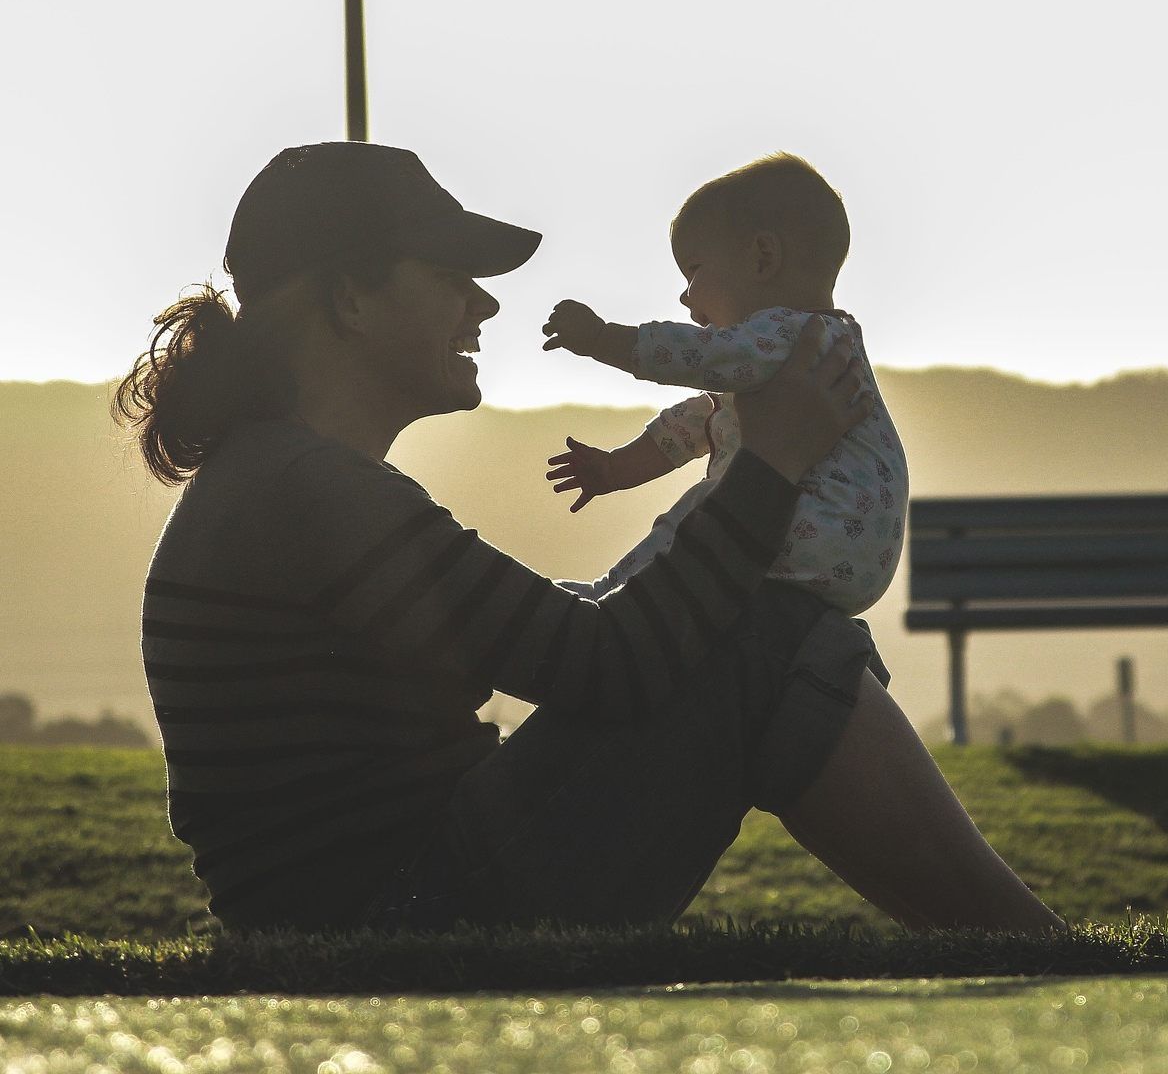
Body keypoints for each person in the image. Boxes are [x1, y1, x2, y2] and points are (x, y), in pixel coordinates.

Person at [116, 141, 1061, 934]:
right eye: (449, 277)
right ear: (348, 300)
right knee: (764, 630)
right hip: (405, 917)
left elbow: (560, 642)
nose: (484, 306)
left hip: (396, 900)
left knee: (763, 626)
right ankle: (1034, 949)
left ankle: (1017, 946)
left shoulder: (280, 481)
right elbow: (608, 665)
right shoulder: (302, 491)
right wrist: (773, 462)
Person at [540, 152, 907, 617]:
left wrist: (601, 338)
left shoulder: (791, 333)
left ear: (762, 258)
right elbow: (697, 422)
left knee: (703, 513)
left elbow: (697, 354)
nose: (685, 296)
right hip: (854, 558)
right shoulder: (816, 349)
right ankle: (614, 596)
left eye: (693, 271)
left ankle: (612, 598)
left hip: (815, 528)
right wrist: (616, 469)